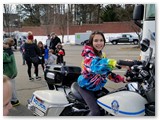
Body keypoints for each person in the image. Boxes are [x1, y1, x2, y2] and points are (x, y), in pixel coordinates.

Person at [77, 31, 124, 116]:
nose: (99, 43)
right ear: (91, 42)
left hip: (97, 87)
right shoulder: (88, 55)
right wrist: (115, 63)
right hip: (85, 87)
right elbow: (96, 66)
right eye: (96, 40)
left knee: (109, 107)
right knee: (95, 112)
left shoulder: (102, 55)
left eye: (101, 40)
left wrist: (123, 79)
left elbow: (106, 72)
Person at [3, 38, 20, 107]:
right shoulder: (7, 51)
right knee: (11, 86)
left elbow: (5, 59)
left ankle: (14, 100)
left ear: (7, 45)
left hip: (10, 73)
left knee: (11, 87)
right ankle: (13, 99)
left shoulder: (7, 52)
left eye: (3, 43)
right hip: (10, 72)